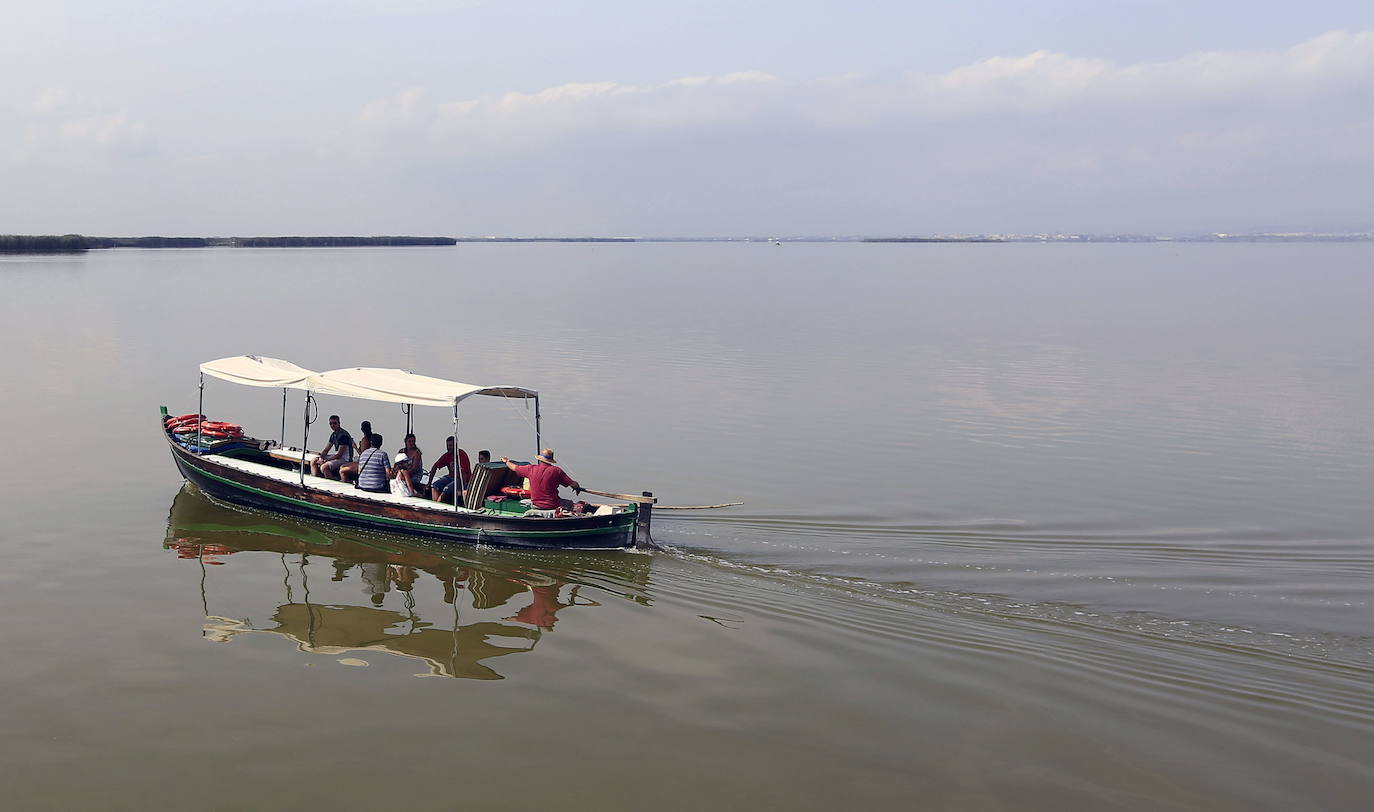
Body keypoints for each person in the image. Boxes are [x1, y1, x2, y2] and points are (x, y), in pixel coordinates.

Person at [500, 448, 580, 517]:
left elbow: (514, 467)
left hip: (536, 505)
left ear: (540, 459)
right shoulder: (557, 471)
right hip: (553, 505)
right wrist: (577, 487)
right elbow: (573, 484)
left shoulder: (531, 469)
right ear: (551, 460)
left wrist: (506, 461)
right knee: (570, 503)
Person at [427, 437, 471, 501]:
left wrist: (462, 488)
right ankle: (435, 505)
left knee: (446, 489)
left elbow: (464, 474)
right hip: (450, 477)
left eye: (450, 445)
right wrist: (429, 482)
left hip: (462, 480)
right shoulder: (447, 455)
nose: (448, 448)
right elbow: (435, 466)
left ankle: (438, 505)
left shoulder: (462, 455)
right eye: (447, 445)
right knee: (434, 486)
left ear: (455, 445)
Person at [310, 415, 353, 479]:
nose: (332, 425)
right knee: (313, 461)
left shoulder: (343, 436)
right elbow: (326, 449)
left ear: (339, 423)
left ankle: (331, 481)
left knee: (324, 467)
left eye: (335, 423)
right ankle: (315, 478)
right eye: (331, 423)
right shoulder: (333, 435)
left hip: (345, 459)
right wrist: (321, 457)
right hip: (337, 456)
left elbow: (339, 455)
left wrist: (326, 460)